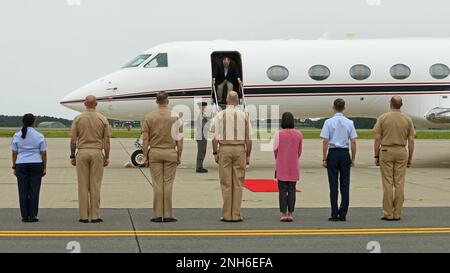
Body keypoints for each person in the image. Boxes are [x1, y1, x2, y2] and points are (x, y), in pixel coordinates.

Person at [142, 91, 184, 223]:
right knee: (168, 184)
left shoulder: (149, 117)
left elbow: (145, 139)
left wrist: (145, 156)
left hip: (155, 152)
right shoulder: (176, 117)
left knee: (157, 184)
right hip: (170, 152)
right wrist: (179, 155)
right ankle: (168, 214)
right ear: (168, 101)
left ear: (156, 101)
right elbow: (179, 139)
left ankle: (157, 214)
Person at [211, 91, 252, 222]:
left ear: (227, 100)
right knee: (238, 183)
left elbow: (214, 137)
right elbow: (249, 138)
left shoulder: (220, 115)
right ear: (238, 100)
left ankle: (227, 214)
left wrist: (215, 153)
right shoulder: (244, 115)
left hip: (225, 149)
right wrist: (248, 155)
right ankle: (236, 214)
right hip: (240, 149)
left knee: (226, 183)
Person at [70, 95, 111, 223]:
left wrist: (72, 155)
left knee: (83, 185)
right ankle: (95, 215)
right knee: (95, 184)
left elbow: (73, 140)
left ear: (84, 104)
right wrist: (107, 156)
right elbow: (106, 141)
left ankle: (83, 216)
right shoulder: (102, 119)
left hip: (82, 152)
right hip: (96, 152)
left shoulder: (78, 118)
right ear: (96, 104)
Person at [374, 96, 415, 221]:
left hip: (386, 150)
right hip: (402, 151)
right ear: (401, 105)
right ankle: (397, 213)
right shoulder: (407, 119)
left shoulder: (383, 118)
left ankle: (388, 213)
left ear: (390, 104)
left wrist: (376, 155)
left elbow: (377, 138)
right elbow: (411, 140)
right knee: (399, 183)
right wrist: (410, 158)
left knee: (387, 183)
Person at [320, 98, 357, 222]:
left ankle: (334, 213)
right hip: (344, 152)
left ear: (333, 107)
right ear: (344, 108)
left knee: (333, 185)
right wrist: (353, 158)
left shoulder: (328, 122)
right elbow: (353, 141)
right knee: (345, 185)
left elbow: (325, 141)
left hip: (333, 153)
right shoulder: (349, 122)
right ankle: (343, 213)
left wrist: (324, 157)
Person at [10, 114, 47, 222]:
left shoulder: (17, 135)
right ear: (34, 122)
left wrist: (14, 166)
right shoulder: (39, 135)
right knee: (34, 190)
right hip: (36, 163)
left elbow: (14, 152)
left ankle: (24, 215)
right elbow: (43, 153)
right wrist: (44, 167)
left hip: (21, 163)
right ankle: (33, 215)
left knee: (22, 190)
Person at [273, 112, 303, 222]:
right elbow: (299, 151)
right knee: (292, 190)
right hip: (293, 165)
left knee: (282, 190)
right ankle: (290, 213)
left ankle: (283, 213)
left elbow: (275, 149)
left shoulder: (278, 134)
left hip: (281, 165)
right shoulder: (299, 134)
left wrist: (279, 158)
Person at [196, 102, 210, 173]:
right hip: (201, 136)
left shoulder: (203, 115)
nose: (205, 108)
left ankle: (200, 166)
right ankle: (199, 167)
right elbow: (203, 126)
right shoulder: (201, 115)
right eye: (204, 107)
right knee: (201, 152)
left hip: (203, 136)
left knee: (203, 151)